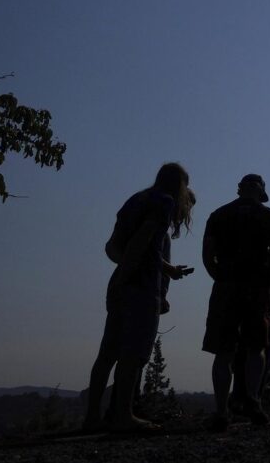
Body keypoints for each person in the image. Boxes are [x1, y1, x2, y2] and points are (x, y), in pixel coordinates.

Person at [84, 163, 195, 432]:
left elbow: (114, 246)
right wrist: (139, 277)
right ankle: (124, 416)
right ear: (179, 185)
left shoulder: (136, 199)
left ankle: (92, 418)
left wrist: (160, 269)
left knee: (107, 354)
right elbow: (143, 243)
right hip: (141, 287)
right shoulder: (164, 202)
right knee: (133, 356)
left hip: (121, 282)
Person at [202, 174, 270, 431]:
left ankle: (221, 410)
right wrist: (268, 283)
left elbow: (207, 255)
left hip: (226, 285)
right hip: (257, 286)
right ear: (261, 191)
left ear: (240, 190)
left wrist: (222, 277)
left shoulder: (218, 215)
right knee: (256, 346)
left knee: (223, 351)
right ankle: (254, 401)